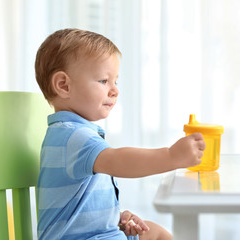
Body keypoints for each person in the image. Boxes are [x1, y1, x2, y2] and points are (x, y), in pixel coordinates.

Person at [35, 28, 205, 240]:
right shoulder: (73, 136)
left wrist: (116, 217)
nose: (114, 90)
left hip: (98, 233)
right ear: (64, 85)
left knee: (156, 232)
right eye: (104, 81)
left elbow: (80, 208)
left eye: (116, 81)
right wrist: (171, 156)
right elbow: (118, 160)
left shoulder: (72, 134)